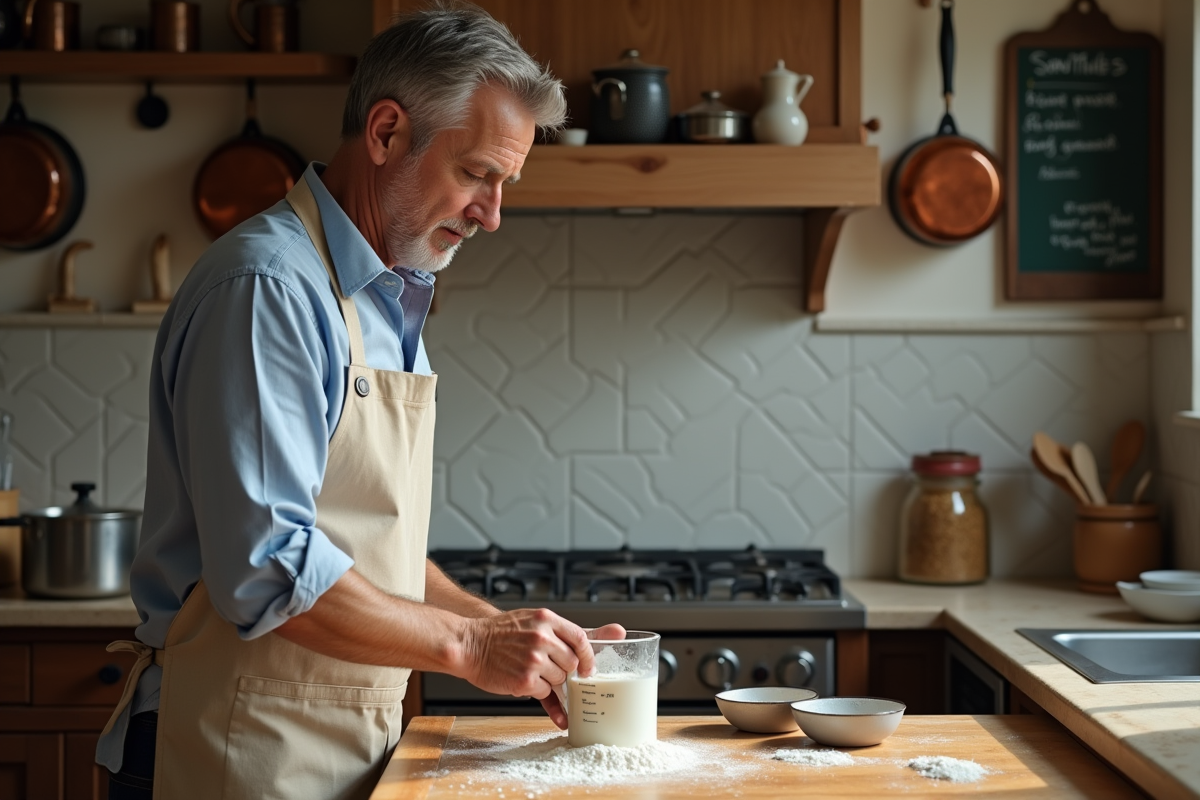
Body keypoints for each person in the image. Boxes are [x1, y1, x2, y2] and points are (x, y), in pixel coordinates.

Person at [97, 5, 621, 798]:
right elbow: (269, 567)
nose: (492, 214)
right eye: (478, 173)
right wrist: (469, 649)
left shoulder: (378, 297)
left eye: (504, 184)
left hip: (321, 750)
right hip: (232, 749)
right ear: (384, 133)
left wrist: (494, 630)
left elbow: (366, 551)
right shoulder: (269, 291)